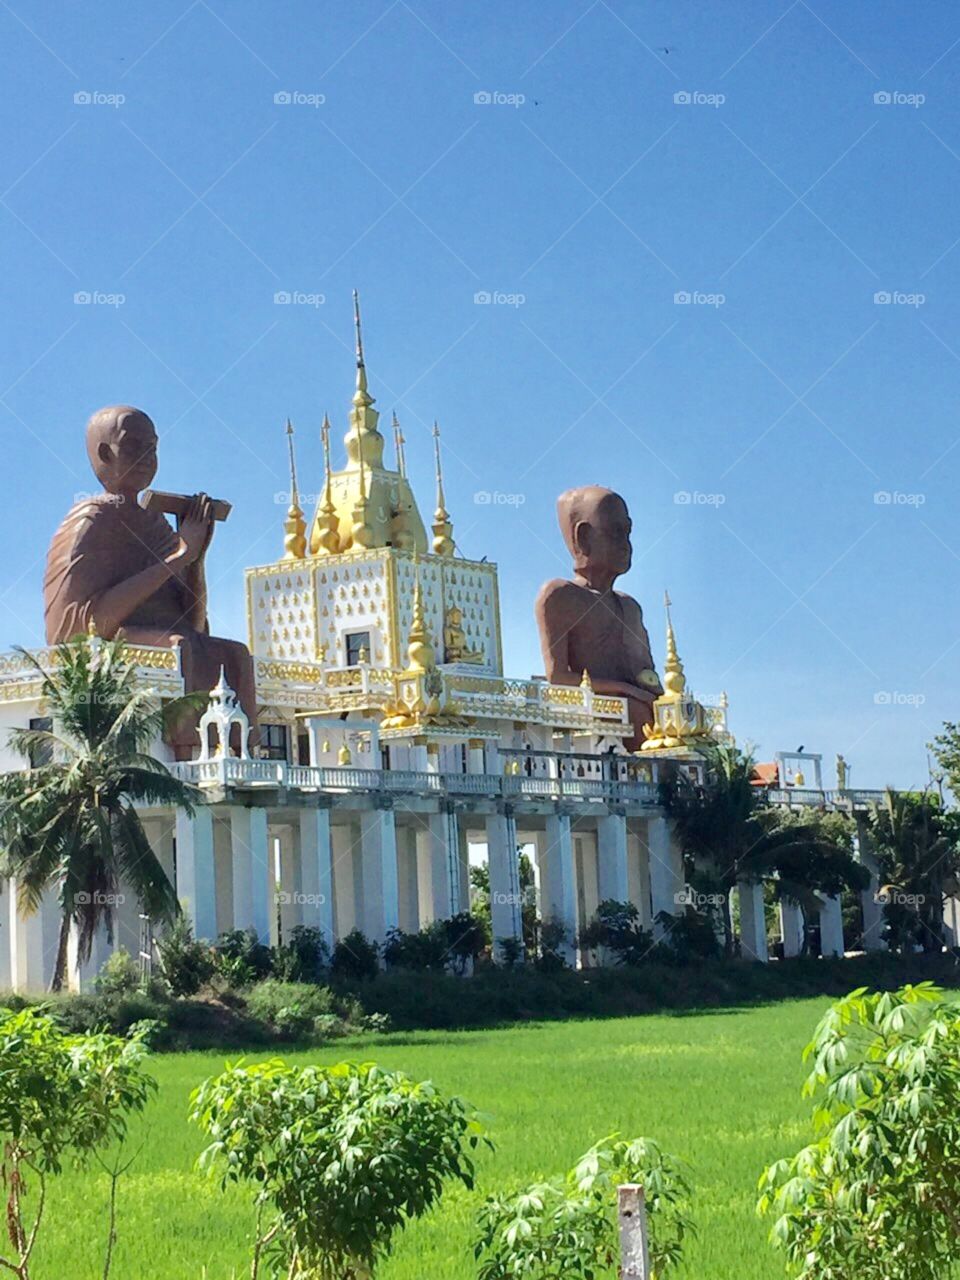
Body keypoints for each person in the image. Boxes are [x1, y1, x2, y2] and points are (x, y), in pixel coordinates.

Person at [44, 404, 258, 759]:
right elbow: (82, 625)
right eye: (134, 445)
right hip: (110, 644)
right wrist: (179, 557)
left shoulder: (154, 523)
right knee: (182, 646)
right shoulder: (91, 520)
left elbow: (193, 620)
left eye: (153, 446)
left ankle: (242, 750)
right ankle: (189, 752)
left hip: (159, 636)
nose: (146, 455)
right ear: (104, 453)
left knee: (234, 653)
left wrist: (196, 558)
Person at [535, 485, 662, 750]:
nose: (626, 545)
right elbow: (558, 678)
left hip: (646, 714)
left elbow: (648, 677)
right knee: (637, 714)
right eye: (615, 533)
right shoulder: (560, 595)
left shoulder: (630, 607)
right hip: (602, 718)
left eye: (628, 533)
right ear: (583, 537)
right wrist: (627, 691)